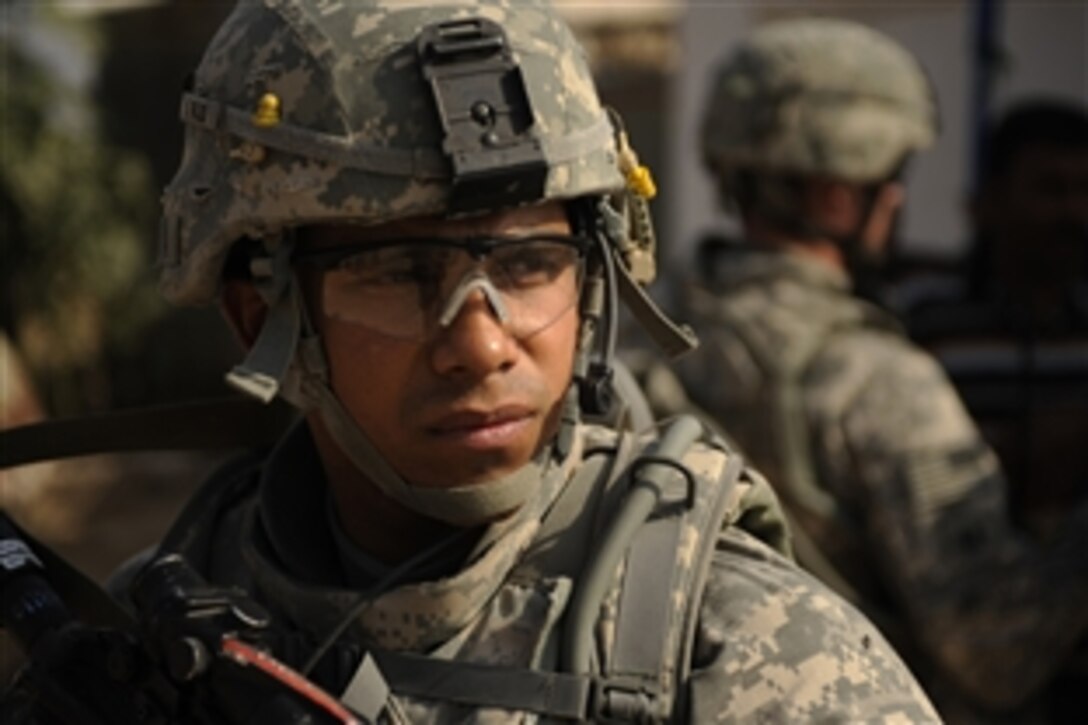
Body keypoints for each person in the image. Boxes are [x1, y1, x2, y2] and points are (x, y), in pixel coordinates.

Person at [1, 1, 939, 723]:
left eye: (531, 265)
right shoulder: (153, 629)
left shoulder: (757, 656)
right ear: (262, 315)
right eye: (400, 273)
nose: (483, 344)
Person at [668, 17, 1088, 724]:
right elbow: (998, 651)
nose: (897, 200)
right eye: (890, 178)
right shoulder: (875, 377)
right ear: (839, 193)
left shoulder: (657, 334)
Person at [902, 99, 1088, 533]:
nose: (1073, 212)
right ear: (990, 201)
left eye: (1085, 190)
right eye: (1050, 189)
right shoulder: (925, 314)